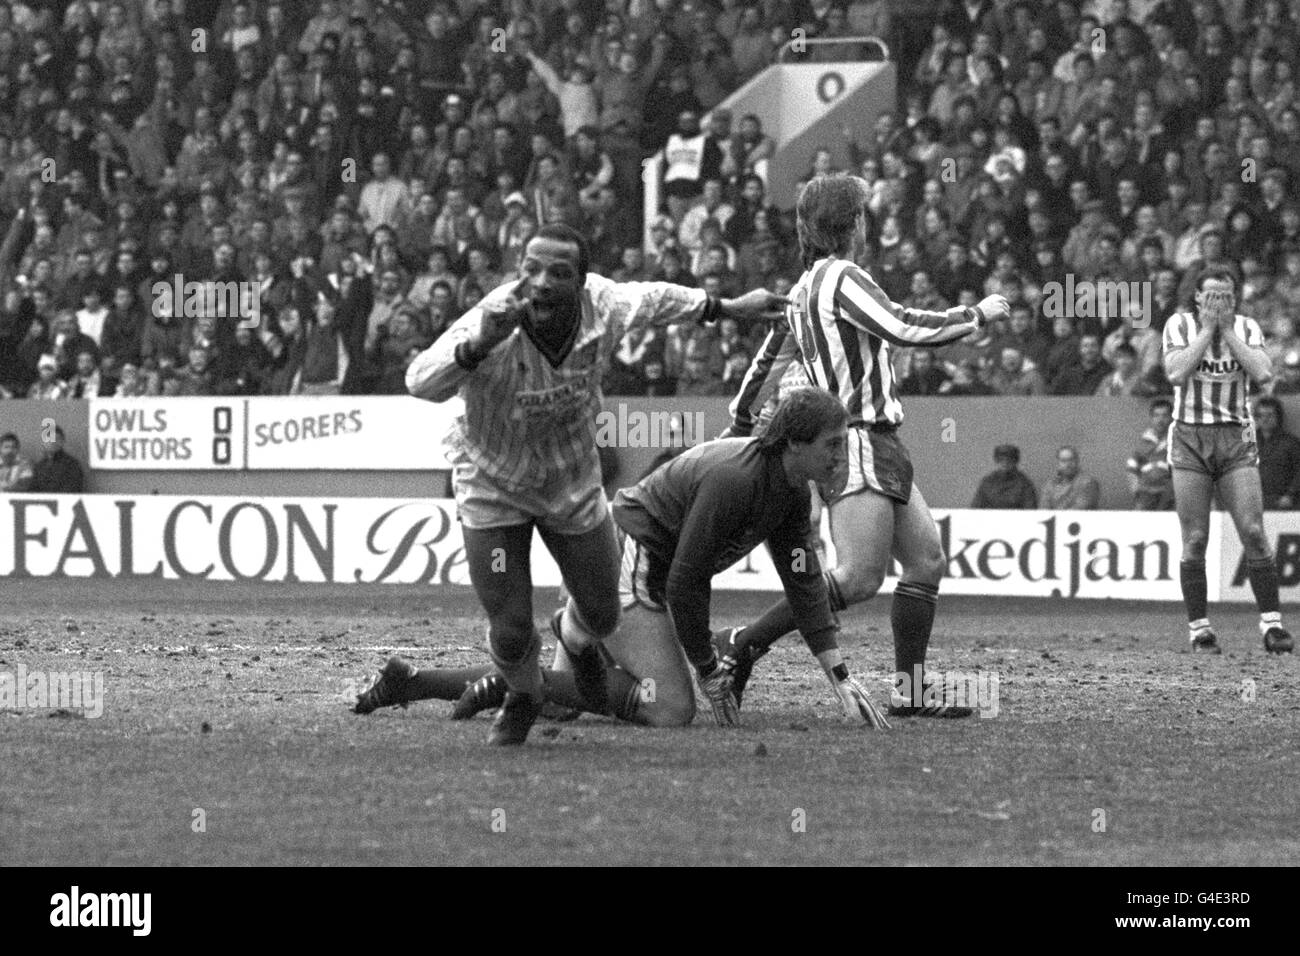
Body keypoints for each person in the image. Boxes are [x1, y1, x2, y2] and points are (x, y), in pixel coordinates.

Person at [403, 223, 786, 745]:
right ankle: (523, 695)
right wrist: (478, 344)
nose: (540, 283)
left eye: (558, 273)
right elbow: (420, 380)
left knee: (603, 614)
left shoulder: (603, 304)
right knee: (513, 627)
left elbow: (656, 298)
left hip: (571, 483)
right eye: (530, 270)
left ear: (582, 282)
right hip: (492, 482)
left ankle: (570, 637)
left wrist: (731, 307)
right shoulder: (492, 320)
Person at [354, 389, 889, 729]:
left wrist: (839, 677)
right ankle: (572, 627)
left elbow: (803, 582)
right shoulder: (738, 479)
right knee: (671, 709)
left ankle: (415, 680)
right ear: (794, 444)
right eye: (833, 444)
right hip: (626, 569)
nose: (841, 455)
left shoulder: (790, 490)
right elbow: (685, 583)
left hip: (634, 567)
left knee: (563, 701)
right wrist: (708, 671)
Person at [722, 174, 1011, 718]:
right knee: (857, 578)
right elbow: (900, 325)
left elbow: (765, 368)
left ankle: (911, 690)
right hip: (854, 436)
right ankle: (744, 643)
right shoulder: (841, 277)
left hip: (880, 439)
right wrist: (975, 315)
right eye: (862, 215)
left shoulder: (805, 288)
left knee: (926, 560)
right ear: (852, 222)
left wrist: (737, 425)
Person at [1163, 268, 1292, 654]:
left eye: (1227, 296)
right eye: (1212, 297)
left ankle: (1272, 625)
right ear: (1198, 299)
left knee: (1253, 530)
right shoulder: (1179, 325)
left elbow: (1264, 371)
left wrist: (1227, 330)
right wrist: (1207, 330)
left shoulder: (1248, 328)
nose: (1220, 303)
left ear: (1236, 299)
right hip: (1189, 435)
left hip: (1237, 434)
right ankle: (1200, 629)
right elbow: (1175, 372)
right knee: (1195, 538)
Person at [1127, 398, 1175, 510]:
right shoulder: (1142, 442)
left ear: (1171, 417)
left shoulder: (1178, 441)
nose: (1160, 420)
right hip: (1146, 493)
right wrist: (1136, 490)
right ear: (1151, 418)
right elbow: (1131, 468)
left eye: (1164, 415)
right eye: (1156, 415)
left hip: (1170, 493)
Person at [1254, 397, 1300, 509]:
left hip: (1283, 502)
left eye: (1269, 415)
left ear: (1278, 417)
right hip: (1253, 502)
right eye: (1260, 415)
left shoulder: (1291, 442)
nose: (1265, 419)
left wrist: (1290, 495)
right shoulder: (1247, 442)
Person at [971, 444, 1038, 509]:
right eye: (1001, 460)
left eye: (1009, 460)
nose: (1005, 463)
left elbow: (1030, 511)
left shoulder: (1025, 484)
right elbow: (975, 508)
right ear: (996, 461)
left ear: (1015, 462)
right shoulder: (987, 482)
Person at [1041, 446, 1101, 510]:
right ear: (1058, 464)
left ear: (1077, 462)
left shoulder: (1088, 483)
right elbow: (1043, 510)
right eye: (1063, 461)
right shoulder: (1050, 484)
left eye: (1071, 460)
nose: (1068, 464)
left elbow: (1078, 511)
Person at [31, 426, 85, 493]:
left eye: (56, 439)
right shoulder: (39, 467)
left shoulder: (72, 465)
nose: (52, 442)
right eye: (48, 439)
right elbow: (33, 491)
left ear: (62, 442)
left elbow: (73, 489)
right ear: (43, 442)